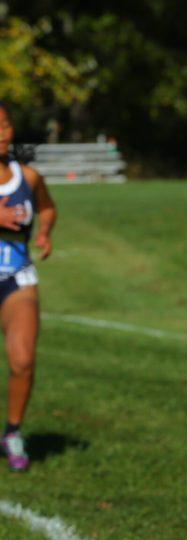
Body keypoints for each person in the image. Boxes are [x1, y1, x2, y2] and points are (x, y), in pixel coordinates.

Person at [0, 103, 56, 471]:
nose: (2, 131)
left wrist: (45, 233)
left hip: (16, 278)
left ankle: (13, 432)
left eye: (4, 124)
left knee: (22, 359)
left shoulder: (29, 177)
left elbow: (47, 208)